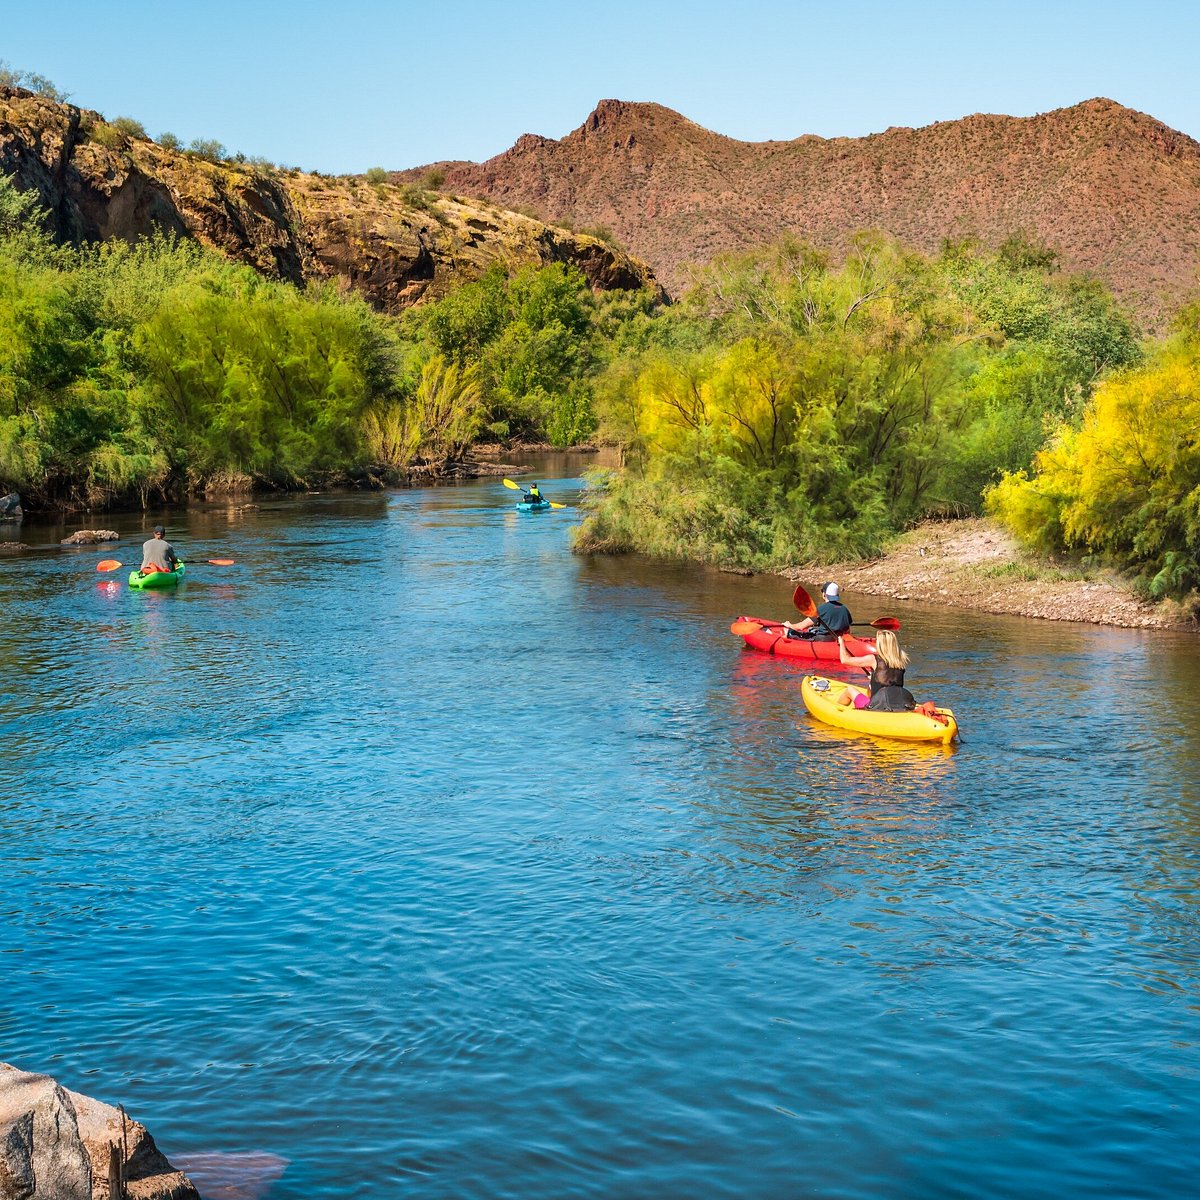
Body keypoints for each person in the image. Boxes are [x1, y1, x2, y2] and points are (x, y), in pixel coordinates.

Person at [834, 629, 916, 712]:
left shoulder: (873, 659)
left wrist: (841, 643)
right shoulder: (901, 661)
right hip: (899, 705)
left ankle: (834, 711)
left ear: (881, 644)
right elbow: (890, 682)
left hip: (877, 707)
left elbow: (845, 660)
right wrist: (873, 679)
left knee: (849, 690)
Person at [781, 582, 852, 639]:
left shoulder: (822, 609)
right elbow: (847, 631)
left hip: (822, 640)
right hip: (838, 639)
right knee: (811, 629)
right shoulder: (845, 609)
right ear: (837, 595)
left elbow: (801, 627)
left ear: (824, 595)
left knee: (791, 633)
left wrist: (789, 625)